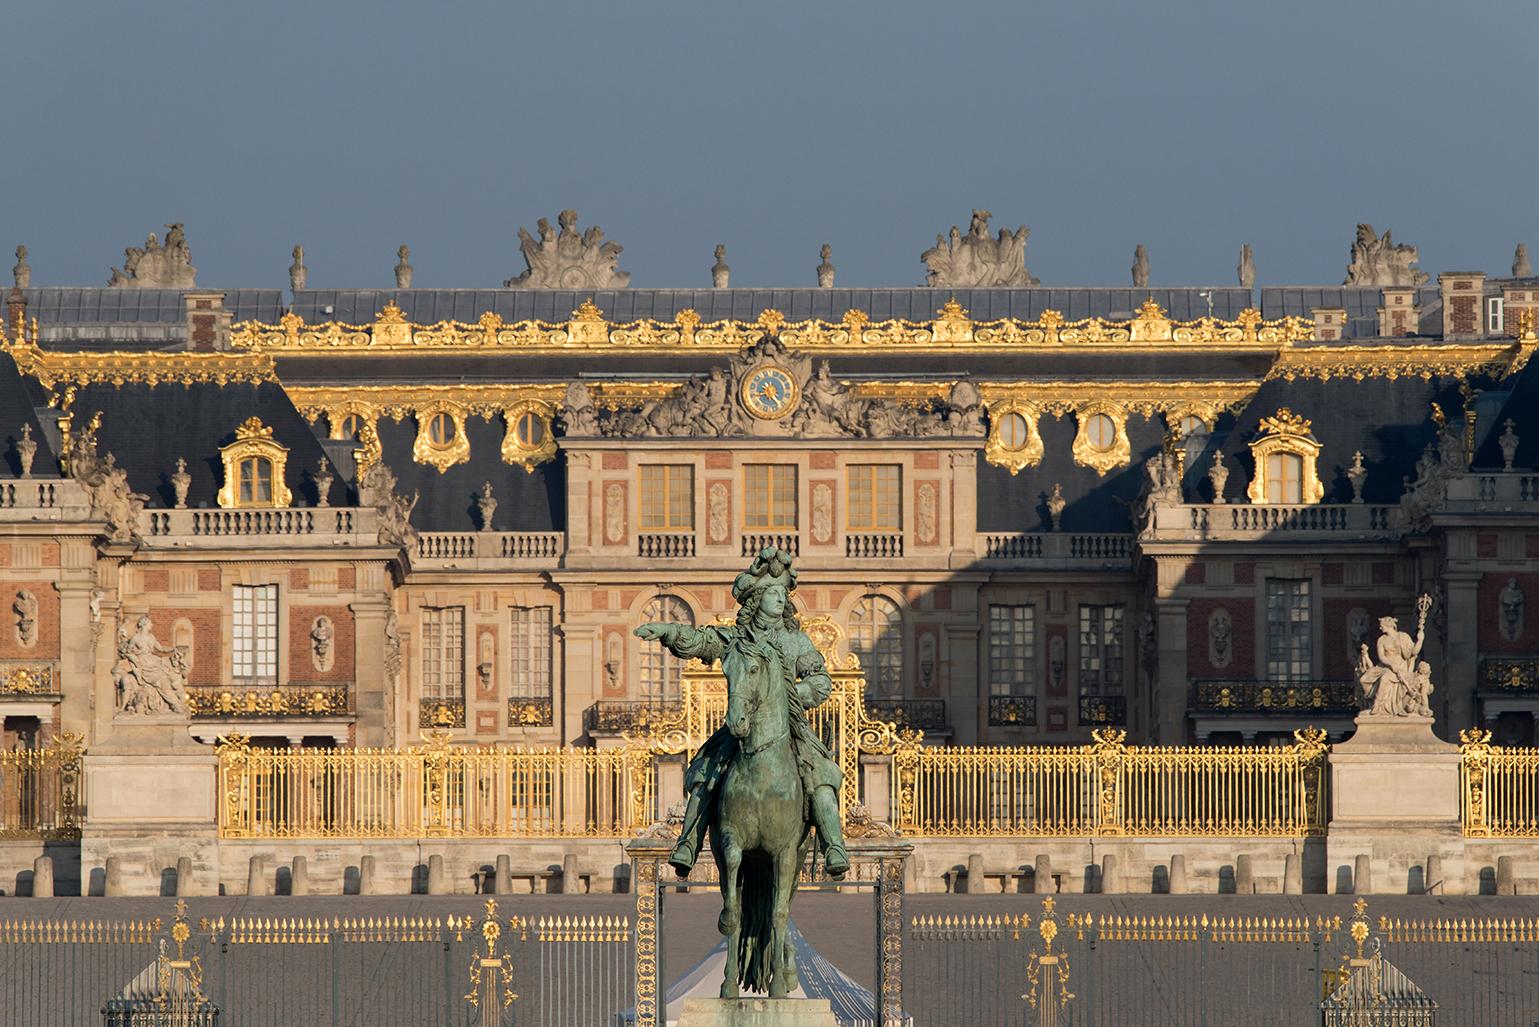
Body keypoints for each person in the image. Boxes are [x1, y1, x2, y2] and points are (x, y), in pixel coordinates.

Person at [635, 547, 850, 878]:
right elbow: (701, 641)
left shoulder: (797, 642)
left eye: (783, 594)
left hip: (787, 728)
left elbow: (821, 682)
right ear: (758, 598)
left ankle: (834, 845)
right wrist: (670, 632)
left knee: (821, 776)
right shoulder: (737, 638)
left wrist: (791, 697)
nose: (781, 600)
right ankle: (688, 841)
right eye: (773, 593)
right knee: (705, 774)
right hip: (741, 726)